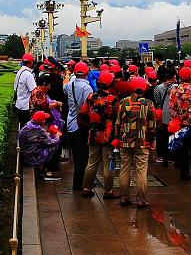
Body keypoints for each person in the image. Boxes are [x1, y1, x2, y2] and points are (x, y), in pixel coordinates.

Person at [114, 77, 157, 207]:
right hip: (142, 141)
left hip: (125, 140)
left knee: (124, 169)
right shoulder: (148, 104)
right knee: (141, 171)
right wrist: (152, 140)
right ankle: (141, 199)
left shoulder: (123, 102)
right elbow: (152, 124)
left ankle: (124, 197)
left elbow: (117, 122)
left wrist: (117, 138)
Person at [79, 71, 120, 199]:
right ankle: (108, 191)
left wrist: (91, 122)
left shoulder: (91, 97)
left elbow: (83, 112)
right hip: (108, 134)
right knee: (108, 162)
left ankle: (87, 188)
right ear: (111, 84)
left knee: (92, 161)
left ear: (98, 83)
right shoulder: (113, 99)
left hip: (94, 132)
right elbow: (118, 115)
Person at [63, 61, 94, 192]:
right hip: (82, 123)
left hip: (71, 122)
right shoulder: (87, 88)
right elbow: (88, 106)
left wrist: (67, 75)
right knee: (83, 156)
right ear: (87, 73)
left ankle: (78, 181)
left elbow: (64, 87)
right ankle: (80, 183)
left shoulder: (69, 85)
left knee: (76, 154)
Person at [171, 66, 191, 182]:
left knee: (182, 149)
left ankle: (184, 174)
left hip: (180, 125)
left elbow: (172, 108)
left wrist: (178, 119)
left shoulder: (174, 90)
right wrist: (187, 117)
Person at [18, 111, 62, 180]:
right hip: (30, 156)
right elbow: (52, 142)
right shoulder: (38, 130)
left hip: (25, 152)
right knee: (53, 148)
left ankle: (44, 169)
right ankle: (49, 173)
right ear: (42, 121)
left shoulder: (28, 126)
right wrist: (57, 136)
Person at [152, 66, 177, 166]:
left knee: (164, 136)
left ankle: (164, 158)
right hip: (173, 115)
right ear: (174, 76)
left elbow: (157, 100)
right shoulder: (176, 87)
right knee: (173, 136)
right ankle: (173, 157)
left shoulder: (159, 87)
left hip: (163, 114)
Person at [14, 54, 37, 127]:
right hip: (26, 105)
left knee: (22, 125)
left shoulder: (20, 72)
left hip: (19, 103)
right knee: (27, 127)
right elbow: (34, 90)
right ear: (31, 62)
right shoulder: (28, 74)